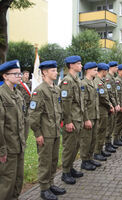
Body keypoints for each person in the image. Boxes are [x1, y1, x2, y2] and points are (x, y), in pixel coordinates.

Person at [29, 60, 66, 200]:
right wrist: (37, 134)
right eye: (53, 70)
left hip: (55, 131)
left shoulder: (56, 89)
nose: (56, 73)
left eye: (56, 70)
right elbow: (33, 116)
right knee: (45, 161)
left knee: (53, 160)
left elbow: (58, 110)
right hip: (45, 133)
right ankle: (44, 189)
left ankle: (50, 184)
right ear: (44, 73)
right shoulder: (39, 91)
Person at [0, 60, 26, 200]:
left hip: (19, 146)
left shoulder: (18, 94)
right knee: (7, 182)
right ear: (5, 76)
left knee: (18, 179)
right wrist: (2, 150)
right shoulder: (1, 94)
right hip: (8, 148)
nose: (19, 76)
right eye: (15, 74)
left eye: (19, 73)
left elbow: (23, 120)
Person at [59, 55, 84, 185]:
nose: (81, 66)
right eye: (79, 63)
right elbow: (65, 103)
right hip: (71, 120)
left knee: (76, 146)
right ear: (71, 65)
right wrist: (67, 121)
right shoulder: (67, 81)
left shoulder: (77, 80)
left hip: (78, 119)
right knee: (69, 147)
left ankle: (70, 167)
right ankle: (65, 172)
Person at [80, 62, 101, 171]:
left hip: (95, 115)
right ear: (88, 70)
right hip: (88, 117)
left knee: (93, 139)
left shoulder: (93, 83)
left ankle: (90, 158)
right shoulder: (83, 84)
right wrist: (86, 119)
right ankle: (84, 161)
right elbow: (83, 103)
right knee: (86, 140)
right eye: (95, 70)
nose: (96, 72)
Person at [105, 61, 121, 151]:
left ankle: (109, 143)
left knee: (112, 124)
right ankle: (107, 144)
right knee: (109, 126)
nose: (117, 69)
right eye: (116, 67)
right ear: (111, 68)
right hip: (110, 105)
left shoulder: (112, 78)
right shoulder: (108, 78)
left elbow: (115, 93)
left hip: (113, 104)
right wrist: (113, 105)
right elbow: (109, 94)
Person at [113, 64, 122, 145]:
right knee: (118, 122)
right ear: (119, 71)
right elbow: (118, 95)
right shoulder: (117, 80)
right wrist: (121, 105)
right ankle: (115, 139)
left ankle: (118, 138)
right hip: (121, 104)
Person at [16, 70, 31, 141]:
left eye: (28, 74)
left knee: (28, 114)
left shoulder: (30, 83)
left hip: (29, 101)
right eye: (25, 74)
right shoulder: (19, 84)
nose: (27, 76)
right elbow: (17, 92)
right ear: (23, 75)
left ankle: (27, 123)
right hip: (22, 101)